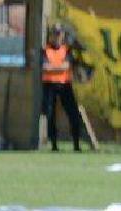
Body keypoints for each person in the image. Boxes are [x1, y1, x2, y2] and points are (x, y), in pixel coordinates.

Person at [41, 24, 84, 152]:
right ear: (51, 36)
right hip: (49, 85)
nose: (57, 37)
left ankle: (76, 145)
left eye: (59, 34)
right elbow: (45, 67)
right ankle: (54, 145)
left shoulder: (66, 49)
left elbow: (67, 65)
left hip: (65, 84)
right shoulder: (46, 50)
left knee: (73, 114)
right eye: (55, 34)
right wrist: (59, 67)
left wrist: (53, 67)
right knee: (50, 115)